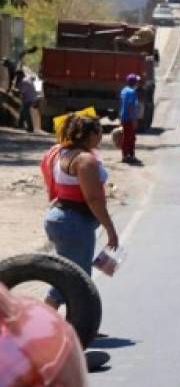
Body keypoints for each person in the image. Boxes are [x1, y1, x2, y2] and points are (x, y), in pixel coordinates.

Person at [41, 113, 119, 308]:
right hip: (73, 223)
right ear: (91, 134)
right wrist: (110, 229)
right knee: (72, 277)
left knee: (75, 274)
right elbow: (93, 198)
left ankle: (82, 322)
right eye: (100, 132)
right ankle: (40, 324)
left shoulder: (63, 153)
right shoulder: (85, 160)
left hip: (64, 219)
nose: (101, 137)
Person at [119, 74, 141, 164]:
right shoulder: (132, 92)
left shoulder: (124, 90)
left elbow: (122, 105)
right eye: (137, 81)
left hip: (124, 117)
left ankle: (128, 155)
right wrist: (134, 120)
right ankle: (128, 156)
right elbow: (130, 106)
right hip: (129, 118)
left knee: (127, 137)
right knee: (130, 138)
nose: (138, 83)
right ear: (134, 82)